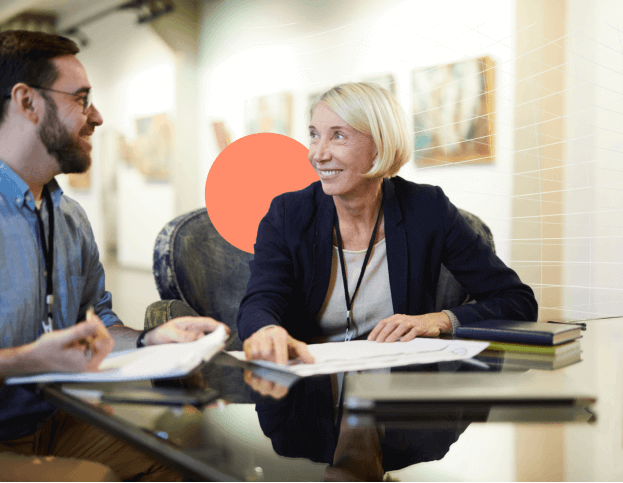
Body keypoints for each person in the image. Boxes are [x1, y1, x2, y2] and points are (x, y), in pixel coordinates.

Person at [237, 82, 537, 479]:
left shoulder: (427, 209)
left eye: (337, 136)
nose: (317, 153)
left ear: (379, 146)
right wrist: (266, 328)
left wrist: (441, 319)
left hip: (402, 381)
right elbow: (260, 298)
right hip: (307, 382)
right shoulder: (289, 213)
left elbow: (516, 300)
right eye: (313, 134)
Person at [0, 30, 228, 481]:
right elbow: (39, 357)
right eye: (81, 99)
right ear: (26, 102)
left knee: (190, 464)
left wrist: (150, 339)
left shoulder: (70, 218)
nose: (97, 117)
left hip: (54, 419)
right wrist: (30, 359)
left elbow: (100, 322)